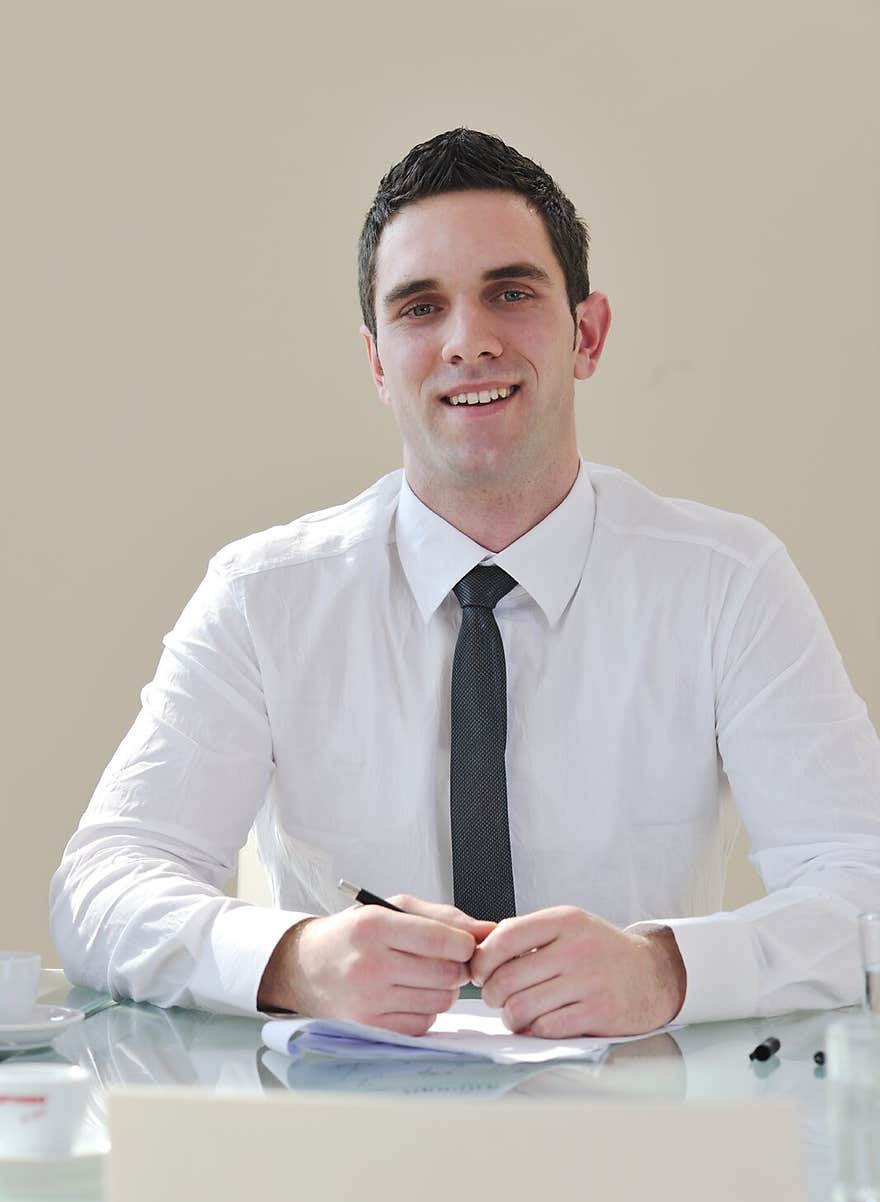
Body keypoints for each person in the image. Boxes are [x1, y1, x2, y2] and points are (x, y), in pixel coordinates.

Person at [50, 128, 880, 1037]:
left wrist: (666, 971)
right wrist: (295, 959)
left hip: (645, 1141)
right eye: (419, 308)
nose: (467, 341)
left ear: (587, 334)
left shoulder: (727, 583)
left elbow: (862, 880)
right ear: (377, 362)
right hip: (331, 1144)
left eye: (510, 293)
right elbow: (101, 886)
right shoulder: (264, 597)